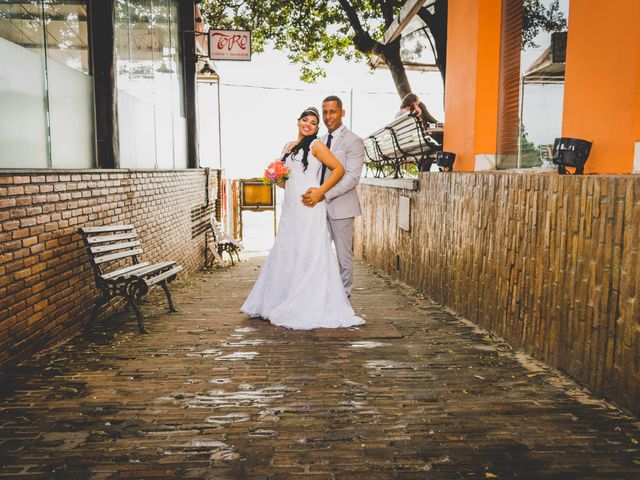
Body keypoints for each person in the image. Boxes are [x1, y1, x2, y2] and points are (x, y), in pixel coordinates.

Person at [240, 107, 364, 330]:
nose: (308, 124)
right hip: (290, 208)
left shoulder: (317, 146)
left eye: (314, 122)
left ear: (317, 128)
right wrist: (275, 177)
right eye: (305, 120)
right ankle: (280, 298)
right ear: (298, 122)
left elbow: (338, 169)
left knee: (309, 251)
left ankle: (307, 301)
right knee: (288, 250)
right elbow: (286, 180)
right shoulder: (288, 146)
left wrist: (320, 192)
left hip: (309, 205)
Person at [302, 96, 365, 298]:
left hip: (341, 207)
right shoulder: (318, 141)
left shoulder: (354, 140)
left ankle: (344, 298)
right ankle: (321, 295)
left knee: (343, 257)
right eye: (325, 112)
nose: (328, 116)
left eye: (333, 111)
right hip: (317, 208)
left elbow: (352, 177)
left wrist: (324, 195)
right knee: (318, 253)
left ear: (342, 113)